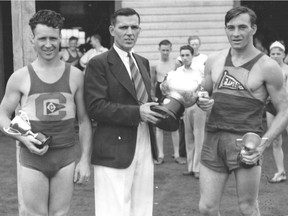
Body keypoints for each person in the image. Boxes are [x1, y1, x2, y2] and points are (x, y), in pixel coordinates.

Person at [197, 6, 288, 215]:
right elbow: (203, 91)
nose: (236, 33)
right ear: (225, 29)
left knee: (247, 207)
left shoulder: (268, 66)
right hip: (213, 139)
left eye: (242, 27)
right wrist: (201, 100)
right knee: (207, 208)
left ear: (253, 29)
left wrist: (263, 144)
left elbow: (284, 110)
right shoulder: (215, 59)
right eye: (231, 28)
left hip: (246, 143)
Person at [0, 10, 92, 215]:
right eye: (42, 38)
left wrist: (85, 160)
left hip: (65, 157)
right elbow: (2, 115)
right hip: (33, 159)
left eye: (53, 38)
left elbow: (85, 121)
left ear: (60, 39)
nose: (48, 44)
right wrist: (22, 138)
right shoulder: (20, 77)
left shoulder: (76, 76)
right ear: (32, 39)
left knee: (60, 214)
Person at [84, 8, 164, 216]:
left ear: (140, 30)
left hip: (145, 142)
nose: (129, 32)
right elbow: (96, 107)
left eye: (134, 27)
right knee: (113, 210)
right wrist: (138, 113)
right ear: (112, 30)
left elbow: (145, 101)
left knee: (142, 209)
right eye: (123, 27)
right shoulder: (99, 63)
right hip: (114, 148)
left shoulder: (142, 62)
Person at [175, 45, 207, 179]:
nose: (185, 58)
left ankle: (197, 168)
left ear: (192, 56)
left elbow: (204, 86)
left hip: (198, 105)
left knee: (199, 136)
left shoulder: (200, 70)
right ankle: (190, 167)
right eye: (182, 55)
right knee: (188, 137)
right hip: (185, 105)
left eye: (187, 55)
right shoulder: (178, 71)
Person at [152, 39, 185, 165]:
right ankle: (160, 155)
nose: (165, 52)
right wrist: (154, 97)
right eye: (163, 50)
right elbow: (152, 82)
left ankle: (176, 154)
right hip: (160, 95)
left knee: (174, 125)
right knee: (159, 125)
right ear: (159, 50)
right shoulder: (155, 65)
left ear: (171, 50)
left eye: (167, 50)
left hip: (172, 94)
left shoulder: (175, 64)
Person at [266, 41, 288, 183]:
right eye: (273, 53)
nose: (275, 56)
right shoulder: (266, 70)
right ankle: (280, 172)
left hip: (286, 106)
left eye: (278, 53)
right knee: (275, 140)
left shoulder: (287, 69)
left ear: (283, 55)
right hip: (271, 106)